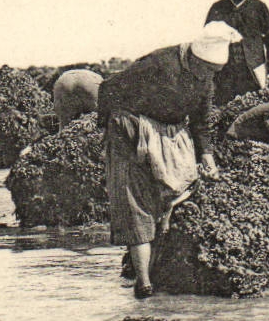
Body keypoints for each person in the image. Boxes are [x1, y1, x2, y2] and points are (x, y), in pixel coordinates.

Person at [97, 21, 240, 298]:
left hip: (169, 133)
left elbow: (201, 122)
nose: (208, 77)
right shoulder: (159, 63)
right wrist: (114, 132)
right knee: (135, 201)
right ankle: (143, 283)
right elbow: (108, 89)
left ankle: (159, 268)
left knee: (175, 192)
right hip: (131, 127)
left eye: (214, 72)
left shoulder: (206, 81)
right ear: (193, 58)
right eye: (205, 69)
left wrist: (207, 156)